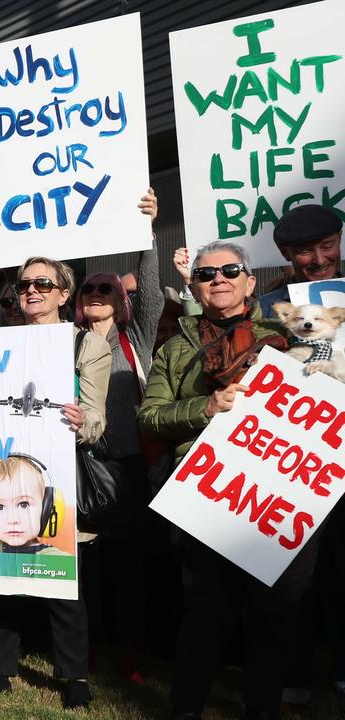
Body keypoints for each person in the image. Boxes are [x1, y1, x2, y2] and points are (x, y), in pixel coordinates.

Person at [138, 241, 304, 720]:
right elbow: (149, 418)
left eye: (231, 270)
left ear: (251, 282)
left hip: (281, 490)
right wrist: (205, 408)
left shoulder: (290, 336)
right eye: (207, 274)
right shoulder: (174, 348)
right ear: (195, 287)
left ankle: (263, 709)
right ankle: (186, 708)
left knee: (273, 615)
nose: (219, 279)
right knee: (207, 613)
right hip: (208, 490)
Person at [0, 255, 110, 709]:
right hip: (5, 471)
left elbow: (98, 415)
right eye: (24, 284)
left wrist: (82, 422)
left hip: (58, 472)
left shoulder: (86, 346)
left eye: (42, 283)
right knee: (1, 579)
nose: (31, 290)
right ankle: (0, 670)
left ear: (63, 293)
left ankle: (74, 677)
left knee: (63, 582)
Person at [73, 189, 162, 681]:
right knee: (85, 568)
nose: (97, 297)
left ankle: (128, 656)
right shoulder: (65, 343)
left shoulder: (138, 339)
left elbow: (150, 290)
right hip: (80, 464)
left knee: (128, 568)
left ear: (120, 301)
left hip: (127, 468)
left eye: (106, 291)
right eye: (89, 291)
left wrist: (147, 235)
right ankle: (84, 653)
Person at [255, 204, 342, 316]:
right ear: (284, 252)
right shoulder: (264, 310)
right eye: (305, 251)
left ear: (340, 238)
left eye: (327, 246)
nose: (320, 261)